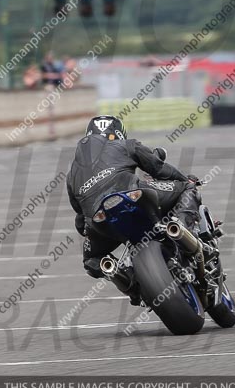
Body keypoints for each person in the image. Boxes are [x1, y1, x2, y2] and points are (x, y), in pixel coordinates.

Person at [66, 115, 209, 299]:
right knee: (188, 188)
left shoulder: (72, 174)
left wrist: (90, 229)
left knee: (91, 261)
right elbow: (159, 169)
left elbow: (80, 222)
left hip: (99, 217)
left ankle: (130, 284)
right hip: (135, 196)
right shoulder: (126, 145)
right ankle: (182, 232)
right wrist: (185, 178)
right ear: (119, 133)